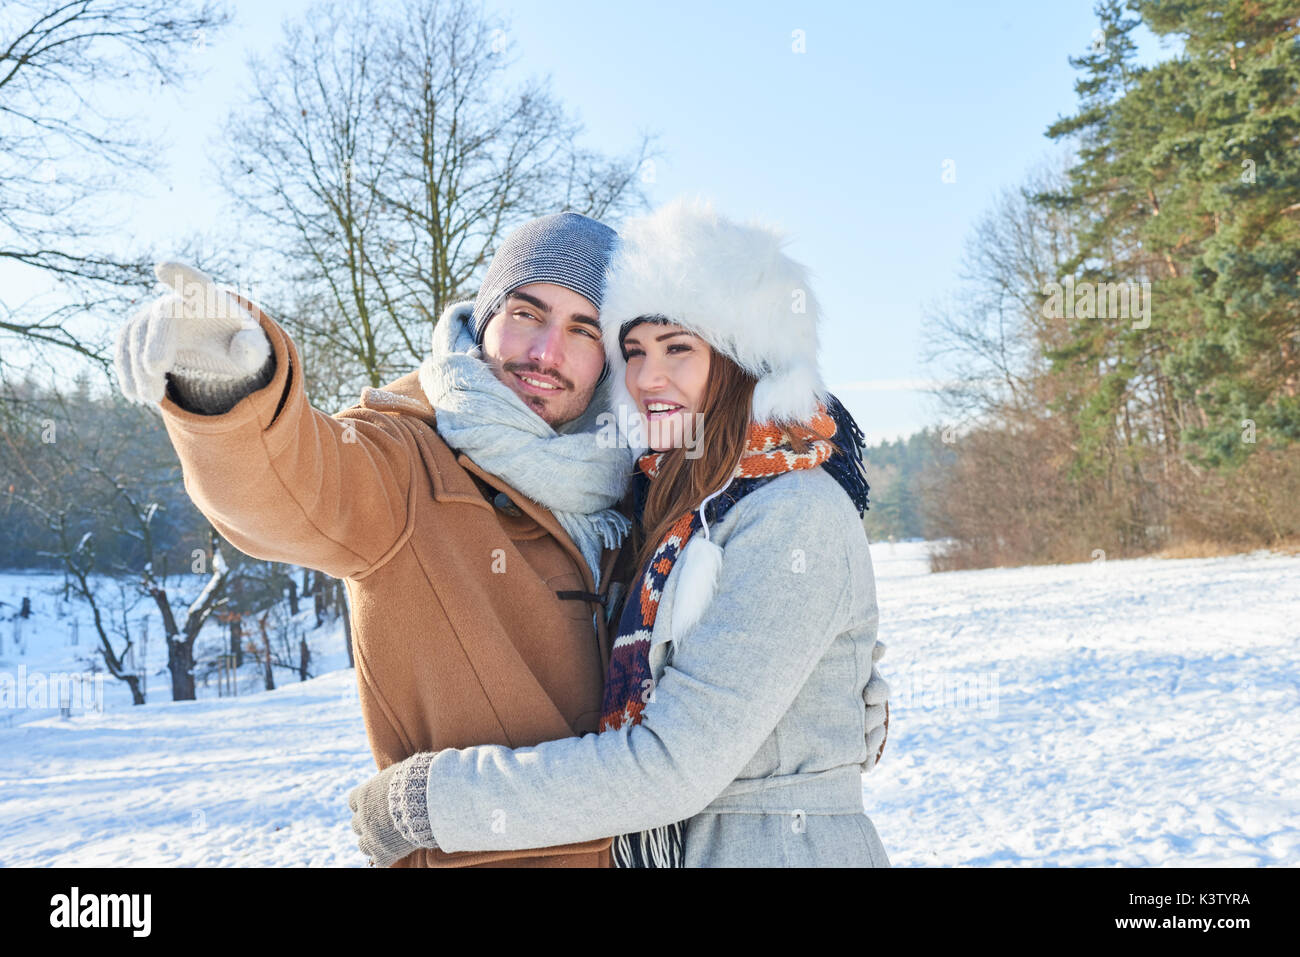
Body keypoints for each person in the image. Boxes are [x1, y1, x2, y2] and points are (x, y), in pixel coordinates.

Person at [349, 197, 893, 867]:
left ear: (739, 359)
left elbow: (670, 764)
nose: (646, 377)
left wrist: (434, 801)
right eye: (632, 350)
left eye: (677, 349)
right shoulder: (674, 510)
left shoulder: (792, 509)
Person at [115, 212, 639, 868]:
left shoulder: (638, 485)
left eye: (582, 328)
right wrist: (231, 391)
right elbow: (294, 488)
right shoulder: (407, 461)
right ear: (483, 319)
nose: (545, 353)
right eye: (527, 313)